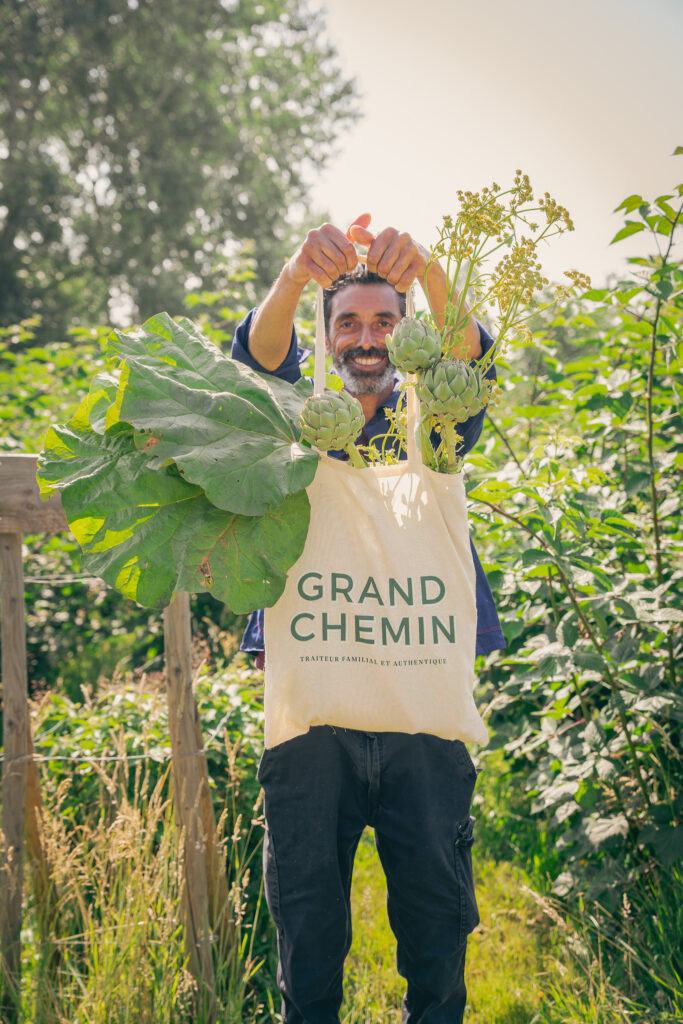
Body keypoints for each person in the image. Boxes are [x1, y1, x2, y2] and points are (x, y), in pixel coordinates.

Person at [231, 214, 505, 1024]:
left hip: (420, 712)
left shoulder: (438, 420)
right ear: (325, 336)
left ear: (406, 332)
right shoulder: (289, 421)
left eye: (384, 321)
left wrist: (423, 268)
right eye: (346, 322)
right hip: (317, 713)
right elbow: (257, 360)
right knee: (308, 926)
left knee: (434, 922)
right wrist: (291, 277)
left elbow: (471, 359)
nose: (365, 337)